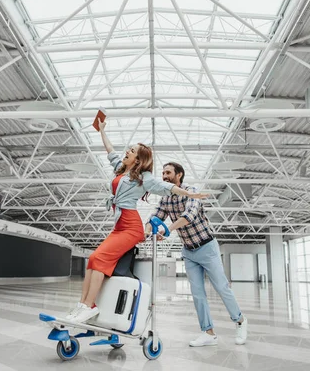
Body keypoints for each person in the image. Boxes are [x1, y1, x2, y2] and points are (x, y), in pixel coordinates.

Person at [65, 121, 209, 323]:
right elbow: (110, 151)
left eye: (131, 151)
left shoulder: (144, 178)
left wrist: (190, 194)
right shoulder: (120, 170)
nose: (127, 152)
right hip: (119, 227)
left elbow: (165, 187)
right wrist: (103, 130)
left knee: (99, 260)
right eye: (128, 149)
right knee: (93, 260)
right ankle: (82, 306)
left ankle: (90, 306)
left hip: (131, 228)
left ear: (138, 159)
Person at [145, 162, 248, 347]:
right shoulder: (166, 197)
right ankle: (208, 333)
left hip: (207, 247)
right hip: (189, 251)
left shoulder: (191, 191)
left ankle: (240, 321)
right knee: (197, 293)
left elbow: (189, 216)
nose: (164, 176)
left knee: (222, 287)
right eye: (163, 173)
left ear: (179, 174)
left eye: (168, 173)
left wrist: (167, 230)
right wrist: (147, 229)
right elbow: (156, 216)